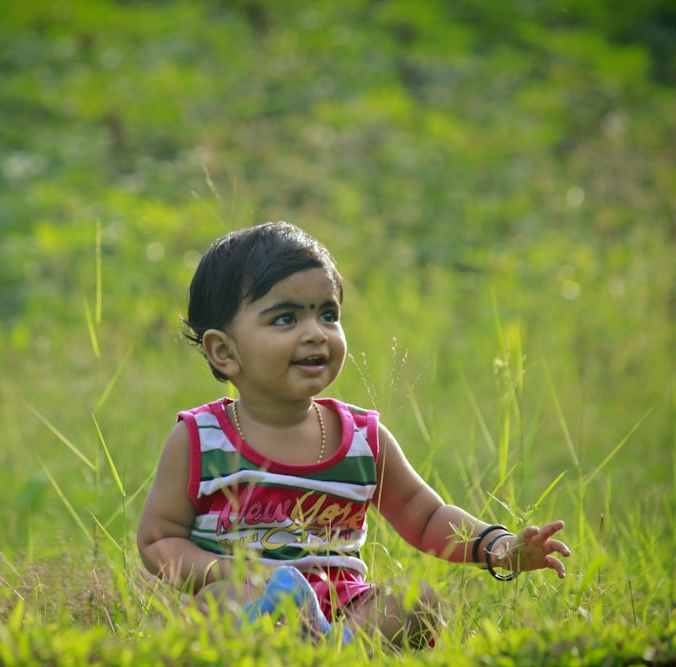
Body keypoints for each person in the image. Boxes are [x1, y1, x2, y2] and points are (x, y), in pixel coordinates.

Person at [137, 221, 570, 649]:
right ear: (224, 351)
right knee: (220, 604)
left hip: (349, 610)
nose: (315, 333)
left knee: (418, 602)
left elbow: (426, 515)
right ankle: (285, 648)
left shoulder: (362, 438)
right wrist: (229, 575)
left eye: (328, 314)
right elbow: (159, 539)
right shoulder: (201, 439)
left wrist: (499, 547)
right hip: (252, 601)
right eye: (285, 318)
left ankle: (337, 648)